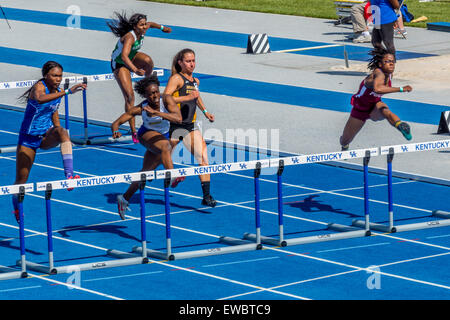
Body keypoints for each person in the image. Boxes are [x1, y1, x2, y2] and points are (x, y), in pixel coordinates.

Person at [13, 61, 86, 222]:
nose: (58, 79)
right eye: (54, 75)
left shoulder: (58, 90)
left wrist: (60, 134)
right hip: (28, 139)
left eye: (60, 76)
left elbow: (54, 111)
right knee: (21, 181)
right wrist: (67, 92)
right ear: (46, 75)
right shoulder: (39, 87)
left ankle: (69, 177)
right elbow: (40, 99)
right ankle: (17, 208)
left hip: (45, 136)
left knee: (63, 131)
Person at [111, 75, 183, 219]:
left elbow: (178, 119)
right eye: (150, 94)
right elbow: (116, 122)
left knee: (145, 173)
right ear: (145, 95)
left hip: (162, 137)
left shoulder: (166, 100)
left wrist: (157, 113)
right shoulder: (141, 108)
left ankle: (124, 198)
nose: (154, 96)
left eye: (156, 92)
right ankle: (173, 174)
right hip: (146, 135)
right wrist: (115, 131)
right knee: (166, 146)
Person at [163, 48, 217, 208]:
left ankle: (206, 196)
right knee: (160, 159)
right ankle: (134, 187)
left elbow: (197, 97)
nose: (192, 64)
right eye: (188, 61)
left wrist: (206, 112)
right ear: (180, 63)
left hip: (189, 126)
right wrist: (187, 97)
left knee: (203, 158)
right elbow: (166, 98)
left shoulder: (195, 81)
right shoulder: (176, 79)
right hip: (173, 126)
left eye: (193, 60)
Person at [107, 12, 171, 143]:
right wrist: (135, 69)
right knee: (130, 96)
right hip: (120, 63)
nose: (144, 27)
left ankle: (145, 85)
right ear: (134, 27)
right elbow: (124, 57)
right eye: (141, 25)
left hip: (132, 56)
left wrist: (163, 28)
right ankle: (133, 131)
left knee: (148, 60)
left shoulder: (144, 27)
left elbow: (151, 24)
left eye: (144, 24)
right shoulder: (130, 37)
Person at [339, 49, 412, 151]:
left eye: (392, 61)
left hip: (374, 106)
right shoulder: (378, 73)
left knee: (385, 110)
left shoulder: (389, 74)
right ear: (380, 64)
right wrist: (401, 89)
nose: (391, 64)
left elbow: (381, 90)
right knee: (345, 140)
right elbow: (378, 89)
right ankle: (345, 146)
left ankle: (401, 126)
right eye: (387, 61)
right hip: (360, 110)